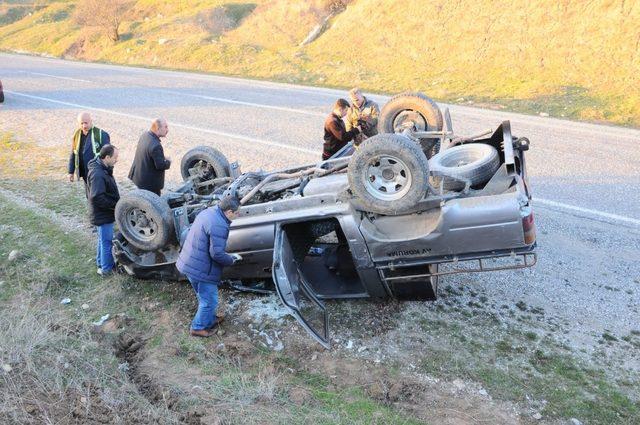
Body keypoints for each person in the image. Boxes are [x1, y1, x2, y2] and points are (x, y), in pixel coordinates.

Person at [176, 196, 242, 338]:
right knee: (210, 300)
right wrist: (231, 260)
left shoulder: (209, 212)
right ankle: (198, 327)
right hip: (200, 269)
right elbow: (217, 254)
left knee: (204, 297)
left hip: (189, 262)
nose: (239, 215)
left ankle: (209, 319)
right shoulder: (219, 225)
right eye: (237, 212)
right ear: (229, 211)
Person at [87, 145, 120, 276]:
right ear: (107, 157)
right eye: (115, 157)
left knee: (102, 240)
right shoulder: (98, 174)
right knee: (107, 242)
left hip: (102, 213)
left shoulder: (102, 168)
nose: (117, 160)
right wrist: (114, 205)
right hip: (103, 214)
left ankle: (101, 264)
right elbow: (97, 197)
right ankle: (107, 269)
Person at [68, 112, 111, 195]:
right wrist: (71, 171)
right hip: (84, 172)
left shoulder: (102, 135)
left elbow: (108, 155)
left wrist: (107, 172)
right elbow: (73, 153)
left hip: (97, 173)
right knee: (89, 195)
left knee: (98, 195)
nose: (84, 125)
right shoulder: (76, 135)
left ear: (91, 121)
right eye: (81, 123)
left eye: (86, 122)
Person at [128, 118, 171, 196]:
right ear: (158, 128)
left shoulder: (145, 135)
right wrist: (168, 161)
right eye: (165, 127)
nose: (167, 130)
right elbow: (160, 165)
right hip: (149, 185)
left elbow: (148, 153)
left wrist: (160, 156)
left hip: (139, 177)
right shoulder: (156, 145)